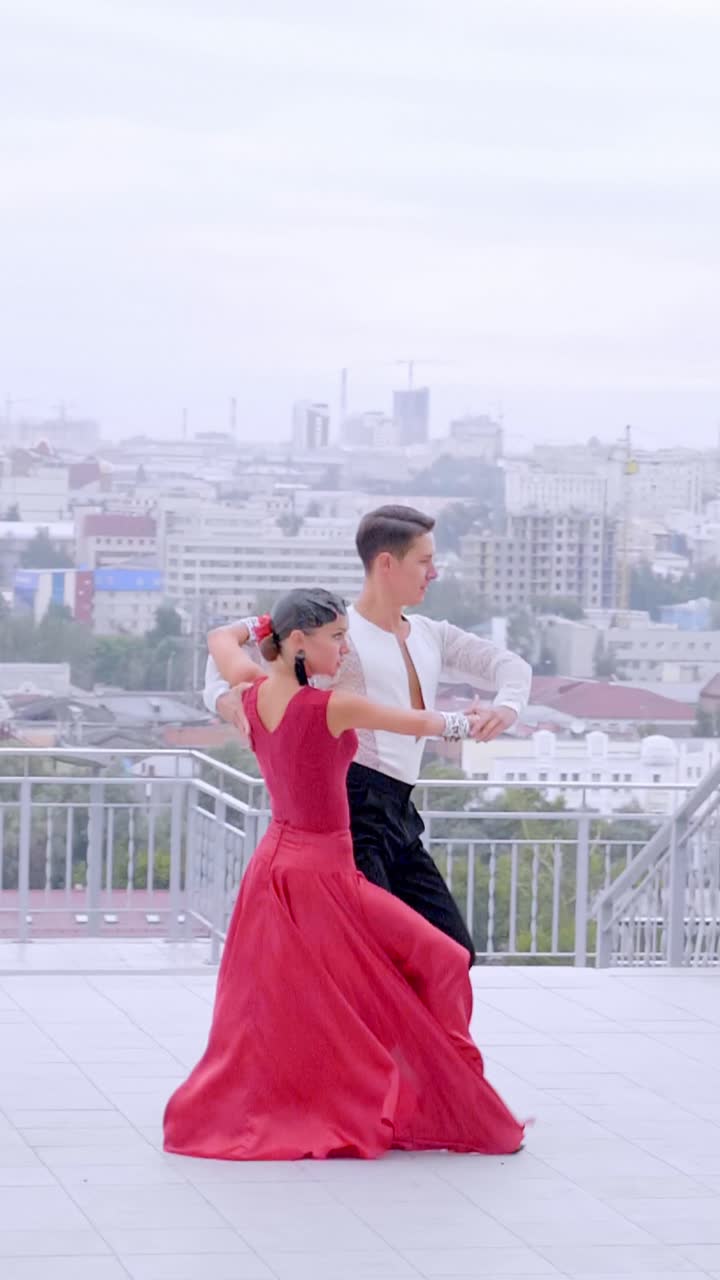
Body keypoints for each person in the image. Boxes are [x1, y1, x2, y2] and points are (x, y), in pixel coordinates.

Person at [164, 588, 524, 1161]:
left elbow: (219, 640)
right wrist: (478, 719)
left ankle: (402, 1092)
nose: (344, 649)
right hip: (324, 876)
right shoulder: (327, 707)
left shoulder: (250, 693)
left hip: (275, 869)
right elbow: (421, 721)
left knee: (316, 995)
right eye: (336, 639)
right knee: (441, 960)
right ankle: (433, 1099)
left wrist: (268, 625)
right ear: (301, 643)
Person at [204, 505, 532, 966]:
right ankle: (378, 1039)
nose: (434, 573)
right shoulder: (336, 635)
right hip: (352, 811)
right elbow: (234, 666)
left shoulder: (430, 634)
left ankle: (404, 1039)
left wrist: (506, 707)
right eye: (424, 561)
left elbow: (510, 666)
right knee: (376, 960)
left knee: (454, 951)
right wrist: (225, 701)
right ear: (386, 563)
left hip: (400, 814)